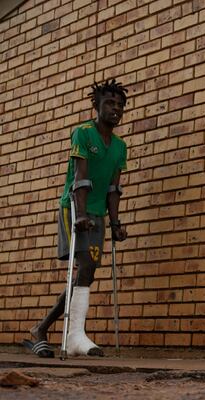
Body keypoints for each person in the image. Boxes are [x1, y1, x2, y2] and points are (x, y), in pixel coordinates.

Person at [24, 79, 129, 358]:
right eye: (109, 103)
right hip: (74, 208)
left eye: (120, 105)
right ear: (96, 106)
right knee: (83, 265)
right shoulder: (82, 133)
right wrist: (80, 214)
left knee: (89, 271)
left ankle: (45, 329)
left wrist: (116, 223)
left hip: (98, 213)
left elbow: (113, 189)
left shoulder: (120, 146)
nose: (115, 109)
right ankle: (74, 336)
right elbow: (80, 179)